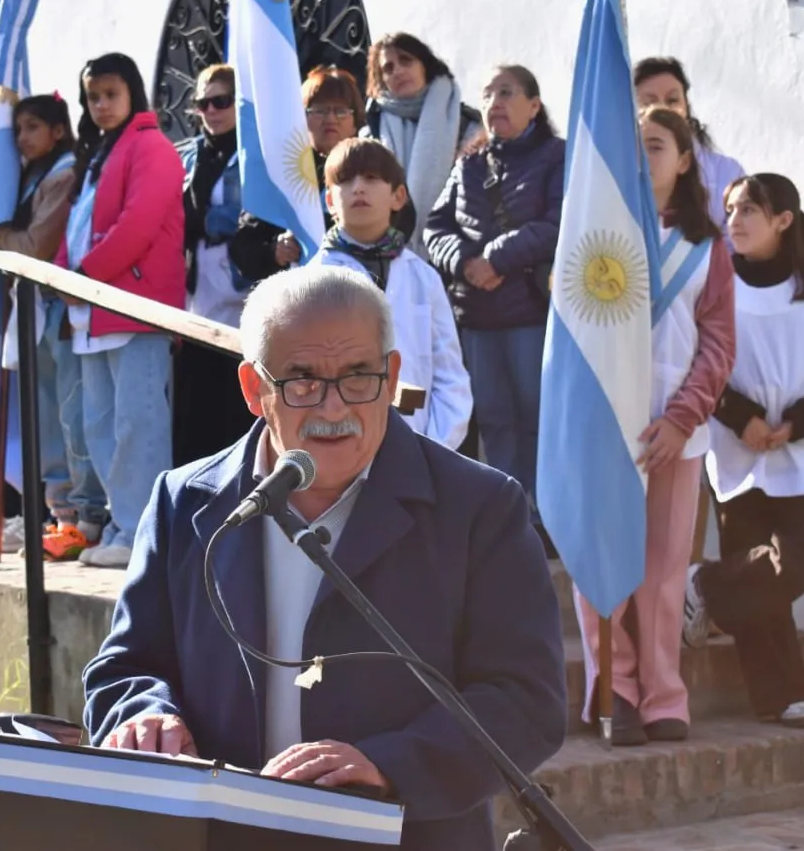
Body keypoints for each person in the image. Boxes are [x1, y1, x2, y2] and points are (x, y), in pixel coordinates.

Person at [83, 264, 567, 851]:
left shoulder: (479, 508)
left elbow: (526, 699)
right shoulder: (185, 503)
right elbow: (126, 668)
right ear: (254, 389)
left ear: (391, 377)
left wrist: (389, 765)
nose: (333, 406)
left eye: (357, 376)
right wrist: (145, 714)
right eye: (302, 381)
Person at [574, 107, 735, 746]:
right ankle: (614, 686)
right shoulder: (598, 235)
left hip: (677, 433)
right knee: (602, 559)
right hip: (604, 429)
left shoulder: (708, 248)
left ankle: (666, 691)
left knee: (666, 569)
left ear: (685, 160)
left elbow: (718, 344)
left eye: (658, 146)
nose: (646, 157)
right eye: (636, 146)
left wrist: (680, 417)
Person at [685, 173, 804, 729]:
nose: (733, 219)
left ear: (783, 220)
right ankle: (781, 694)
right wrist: (743, 419)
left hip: (803, 444)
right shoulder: (715, 282)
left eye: (749, 210)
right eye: (731, 208)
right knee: (760, 567)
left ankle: (703, 585)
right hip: (739, 448)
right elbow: (701, 358)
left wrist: (799, 422)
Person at [423, 65, 564, 548]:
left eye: (507, 92)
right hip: (478, 316)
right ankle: (510, 519)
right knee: (496, 421)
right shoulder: (469, 164)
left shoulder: (555, 157)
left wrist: (497, 258)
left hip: (529, 313)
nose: (495, 101)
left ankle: (548, 517)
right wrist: (466, 264)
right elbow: (434, 228)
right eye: (488, 94)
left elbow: (557, 221)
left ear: (534, 104)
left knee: (536, 418)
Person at [54, 53, 185, 568]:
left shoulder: (151, 146)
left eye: (111, 94)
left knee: (139, 424)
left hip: (134, 307)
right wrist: (66, 276)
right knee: (100, 427)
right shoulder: (98, 153)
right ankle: (125, 524)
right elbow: (76, 227)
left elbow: (139, 223)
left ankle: (145, 532)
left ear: (132, 92)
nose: (101, 104)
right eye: (93, 97)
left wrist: (83, 277)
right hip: (94, 310)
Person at [0, 93, 109, 561]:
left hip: (59, 309)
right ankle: (62, 517)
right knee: (46, 419)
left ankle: (87, 516)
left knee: (72, 415)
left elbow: (33, 247)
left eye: (32, 128)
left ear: (56, 130)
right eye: (18, 131)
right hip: (34, 311)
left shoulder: (65, 172)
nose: (24, 140)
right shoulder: (31, 174)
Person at [311, 137, 471, 449]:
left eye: (371, 178)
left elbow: (450, 374)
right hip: (337, 442)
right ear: (329, 200)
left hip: (418, 441)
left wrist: (433, 446)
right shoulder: (312, 281)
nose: (358, 187)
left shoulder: (423, 277)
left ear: (398, 197)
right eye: (345, 180)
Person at [230, 66, 414, 283]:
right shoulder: (280, 173)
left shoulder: (377, 163)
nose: (330, 119)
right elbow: (243, 246)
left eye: (341, 111)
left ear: (356, 120)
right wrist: (274, 252)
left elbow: (404, 221)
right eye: (319, 110)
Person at [173, 63, 258, 466]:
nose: (211, 110)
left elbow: (253, 212)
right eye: (202, 103)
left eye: (221, 100)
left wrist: (206, 219)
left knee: (237, 398)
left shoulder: (254, 151)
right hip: (197, 293)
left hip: (241, 288)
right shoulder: (191, 155)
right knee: (197, 402)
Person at [362, 32, 483, 255]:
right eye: (388, 68)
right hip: (391, 256)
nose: (398, 71)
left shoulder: (467, 125)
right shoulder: (371, 134)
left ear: (424, 65)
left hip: (458, 251)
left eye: (406, 60)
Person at [634, 57, 745, 234]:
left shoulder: (728, 173)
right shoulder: (615, 169)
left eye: (672, 100)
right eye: (650, 102)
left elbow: (736, 245)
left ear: (687, 105)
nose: (663, 108)